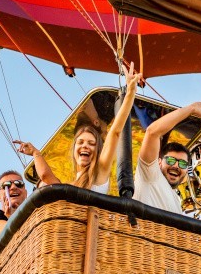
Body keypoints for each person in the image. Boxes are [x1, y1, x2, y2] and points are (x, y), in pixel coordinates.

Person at [14, 62, 143, 193]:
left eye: (91, 143)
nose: (85, 146)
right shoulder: (70, 185)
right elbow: (46, 177)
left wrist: (130, 94)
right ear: (74, 149)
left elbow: (115, 132)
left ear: (98, 151)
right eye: (80, 142)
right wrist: (36, 153)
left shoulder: (99, 174)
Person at [132, 100, 201, 213]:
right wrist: (191, 108)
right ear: (159, 162)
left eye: (182, 163)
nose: (176, 166)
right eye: (171, 160)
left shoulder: (177, 203)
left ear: (187, 170)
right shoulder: (150, 175)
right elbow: (152, 132)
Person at [0, 170, 28, 249]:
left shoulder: (34, 213)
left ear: (26, 193)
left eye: (19, 184)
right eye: (6, 185)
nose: (13, 187)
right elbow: (5, 232)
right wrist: (11, 218)